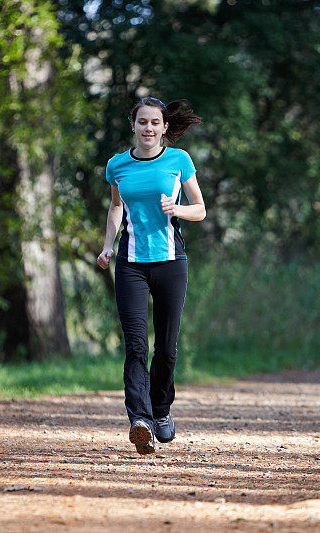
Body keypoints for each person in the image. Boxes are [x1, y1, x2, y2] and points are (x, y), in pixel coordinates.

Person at [97, 97, 206, 455]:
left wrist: (178, 209)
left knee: (167, 349)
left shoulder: (179, 161)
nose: (148, 128)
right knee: (135, 346)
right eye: (142, 122)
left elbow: (201, 209)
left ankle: (161, 410)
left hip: (171, 262)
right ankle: (140, 420)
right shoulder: (117, 165)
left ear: (163, 127)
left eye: (155, 123)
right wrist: (107, 245)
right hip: (130, 263)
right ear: (133, 126)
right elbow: (116, 207)